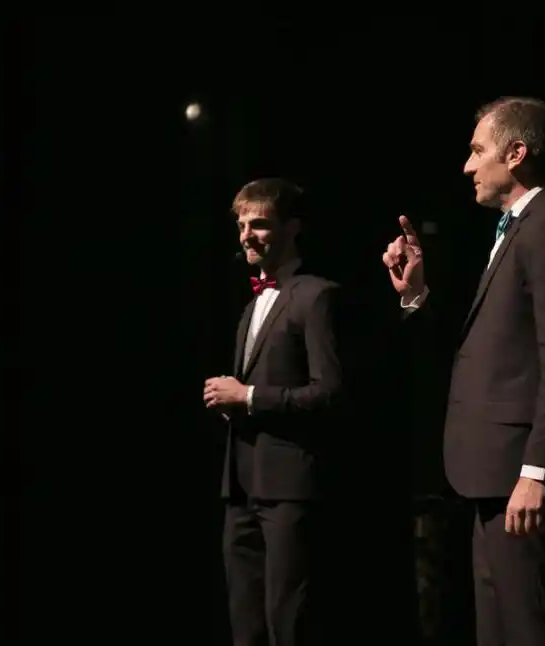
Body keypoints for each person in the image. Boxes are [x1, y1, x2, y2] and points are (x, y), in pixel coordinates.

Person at [382, 97, 545, 646]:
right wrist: (417, 294)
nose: (467, 166)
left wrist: (537, 470)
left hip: (518, 474)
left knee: (529, 628)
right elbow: (482, 348)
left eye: (478, 151)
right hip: (491, 475)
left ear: (516, 153)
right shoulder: (512, 229)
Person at [204, 178, 343, 646]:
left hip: (289, 488)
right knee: (246, 628)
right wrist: (232, 405)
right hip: (241, 487)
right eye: (241, 225)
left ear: (293, 228)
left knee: (290, 623)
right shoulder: (250, 307)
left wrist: (247, 397)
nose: (247, 235)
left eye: (260, 224)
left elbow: (329, 394)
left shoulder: (316, 296)